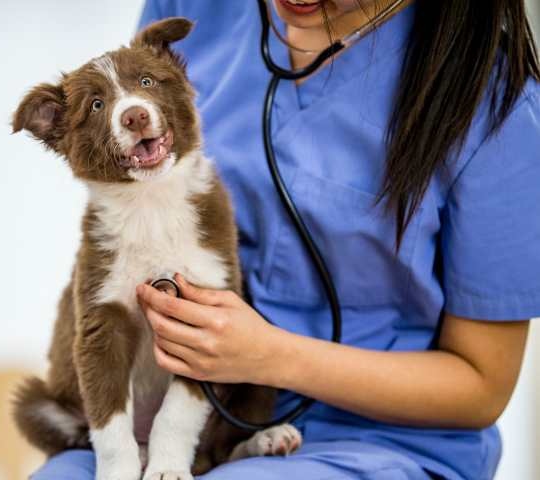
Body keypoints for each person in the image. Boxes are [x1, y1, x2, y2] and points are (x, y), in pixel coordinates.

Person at [32, 1, 540, 478]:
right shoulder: (195, 8)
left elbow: (480, 385)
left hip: (377, 440)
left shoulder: (495, 105)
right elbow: (129, 167)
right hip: (188, 413)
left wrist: (270, 356)